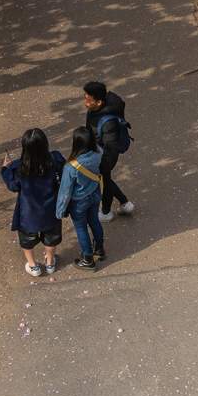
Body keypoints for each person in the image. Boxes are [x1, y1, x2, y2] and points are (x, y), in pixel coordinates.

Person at [1, 128, 64, 278]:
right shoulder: (55, 160)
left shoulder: (18, 167)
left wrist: (5, 168)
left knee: (27, 240)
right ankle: (50, 263)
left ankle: (33, 265)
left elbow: (13, 186)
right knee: (51, 237)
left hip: (28, 213)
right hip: (51, 210)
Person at [82, 81, 136, 220]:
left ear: (99, 102)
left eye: (88, 100)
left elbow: (111, 148)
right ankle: (125, 203)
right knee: (106, 179)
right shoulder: (94, 111)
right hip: (99, 151)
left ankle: (106, 212)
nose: (85, 103)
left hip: (107, 155)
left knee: (105, 180)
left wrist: (103, 166)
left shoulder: (108, 123)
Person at [55, 126, 106, 269]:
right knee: (94, 221)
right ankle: (99, 249)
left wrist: (60, 211)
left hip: (79, 202)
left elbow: (65, 191)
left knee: (81, 228)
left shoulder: (71, 167)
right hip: (94, 193)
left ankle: (88, 259)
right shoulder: (98, 152)